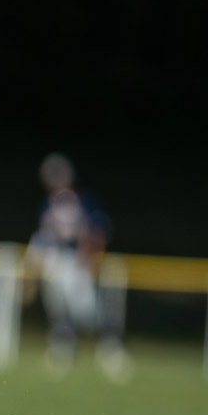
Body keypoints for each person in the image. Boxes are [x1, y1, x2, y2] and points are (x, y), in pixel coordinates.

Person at [22, 152, 131, 381]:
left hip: (78, 261)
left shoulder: (85, 200)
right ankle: (62, 348)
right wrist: (31, 274)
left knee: (88, 312)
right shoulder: (47, 206)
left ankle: (110, 349)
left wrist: (90, 260)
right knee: (58, 307)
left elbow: (97, 232)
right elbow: (42, 241)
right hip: (56, 261)